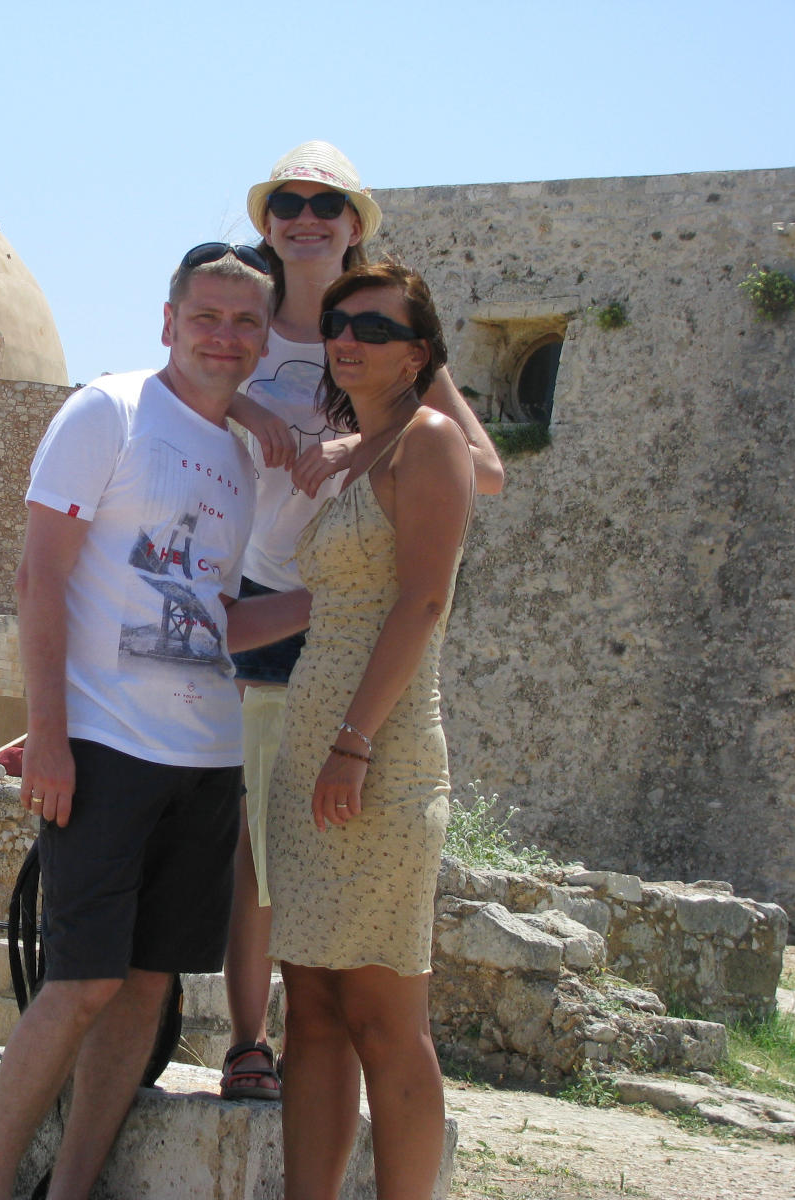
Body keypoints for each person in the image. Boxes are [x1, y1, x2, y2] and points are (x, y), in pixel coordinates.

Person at [0, 244, 309, 1200]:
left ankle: (70, 1190)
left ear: (262, 340)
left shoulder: (238, 458)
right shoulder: (107, 412)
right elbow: (40, 577)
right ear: (168, 322)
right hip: (106, 746)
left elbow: (210, 617)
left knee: (149, 984)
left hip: (207, 757)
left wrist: (328, 601)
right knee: (81, 982)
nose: (224, 337)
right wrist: (50, 733)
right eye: (206, 317)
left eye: (245, 323)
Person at [218, 141, 504, 1102]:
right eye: (288, 201)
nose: (305, 217)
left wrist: (360, 443)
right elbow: (179, 390)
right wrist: (250, 411)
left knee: (308, 839)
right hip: (260, 595)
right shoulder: (247, 323)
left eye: (324, 203)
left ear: (353, 224)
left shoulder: (386, 338)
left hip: (348, 617)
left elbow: (483, 469)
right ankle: (249, 1039)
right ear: (267, 222)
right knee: (260, 839)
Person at [264, 261, 473, 1199]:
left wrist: (354, 743)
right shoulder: (358, 449)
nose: (348, 338)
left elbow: (422, 600)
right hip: (310, 751)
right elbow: (330, 602)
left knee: (385, 1017)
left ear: (416, 355)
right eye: (339, 322)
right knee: (309, 1009)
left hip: (378, 755)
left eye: (376, 328)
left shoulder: (431, 440)